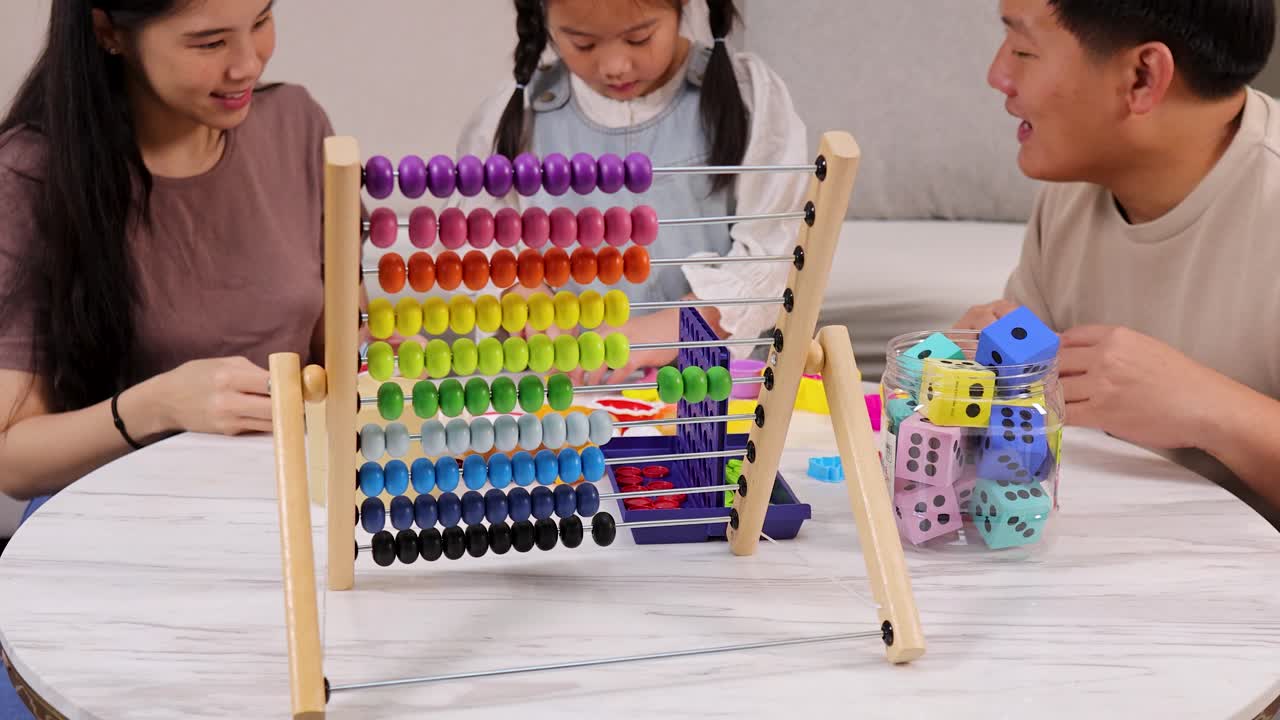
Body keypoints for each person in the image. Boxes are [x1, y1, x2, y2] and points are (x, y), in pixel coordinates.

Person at [0, 0, 334, 513]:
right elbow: (12, 459)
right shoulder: (33, 174)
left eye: (262, 20)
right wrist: (159, 405)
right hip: (115, 515)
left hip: (285, 505)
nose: (248, 63)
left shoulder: (298, 125)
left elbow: (343, 349)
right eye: (210, 42)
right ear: (108, 30)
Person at [957, 0, 1280, 529]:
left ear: (1142, 76)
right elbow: (1026, 435)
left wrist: (1209, 409)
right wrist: (985, 371)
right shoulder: (1077, 188)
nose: (998, 76)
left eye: (1023, 50)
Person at [452, 0, 810, 384]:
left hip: (711, 394)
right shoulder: (517, 113)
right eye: (583, 44)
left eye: (639, 39)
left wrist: (654, 334)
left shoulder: (748, 97)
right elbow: (478, 234)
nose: (614, 66)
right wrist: (526, 296)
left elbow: (774, 253)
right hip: (568, 396)